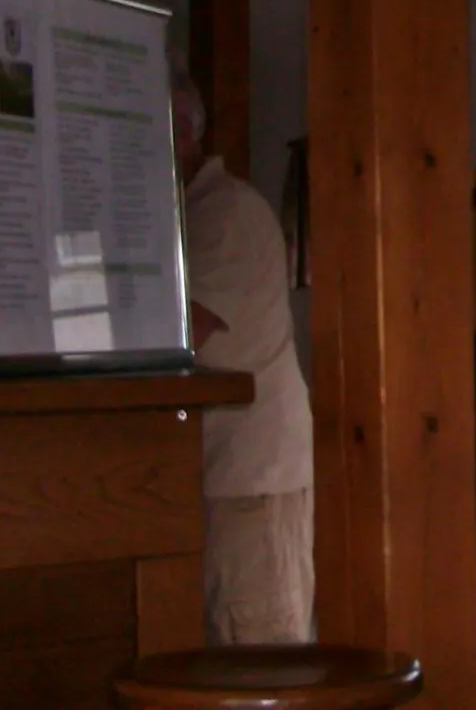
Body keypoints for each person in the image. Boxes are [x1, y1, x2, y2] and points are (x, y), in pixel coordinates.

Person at [172, 65, 315, 646]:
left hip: (250, 482)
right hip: (224, 480)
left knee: (260, 659)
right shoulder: (189, 214)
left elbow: (184, 329)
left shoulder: (226, 212)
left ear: (183, 131)